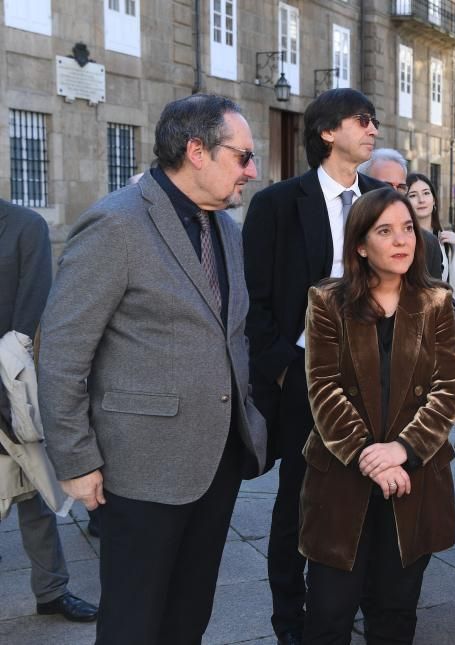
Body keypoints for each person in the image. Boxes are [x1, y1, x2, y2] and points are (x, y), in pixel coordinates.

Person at [37, 94, 267, 644]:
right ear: (196, 151)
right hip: (141, 468)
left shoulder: (227, 231)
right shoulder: (116, 224)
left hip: (218, 461)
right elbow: (64, 350)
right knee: (133, 624)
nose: (252, 171)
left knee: (189, 616)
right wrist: (75, 458)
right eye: (242, 156)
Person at [242, 87, 385, 645]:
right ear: (328, 132)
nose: (373, 129)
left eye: (374, 121)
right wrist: (283, 366)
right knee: (299, 497)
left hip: (375, 370)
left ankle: (357, 601)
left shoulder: (381, 198)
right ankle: (290, 619)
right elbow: (252, 299)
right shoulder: (279, 204)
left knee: (370, 487)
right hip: (304, 373)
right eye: (362, 120)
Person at [299, 187, 455, 644]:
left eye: (407, 229)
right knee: (329, 613)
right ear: (360, 245)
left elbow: (448, 387)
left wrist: (403, 451)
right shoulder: (327, 301)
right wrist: (369, 455)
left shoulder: (436, 302)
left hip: (414, 482)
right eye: (385, 231)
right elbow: (324, 387)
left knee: (395, 612)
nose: (401, 241)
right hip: (342, 480)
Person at [0, 199, 98, 622]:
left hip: (14, 384)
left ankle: (51, 591)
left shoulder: (25, 225)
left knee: (35, 494)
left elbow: (34, 309)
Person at [359, 148, 444, 279]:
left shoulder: (428, 244)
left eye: (401, 187)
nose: (394, 193)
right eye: (385, 185)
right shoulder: (346, 231)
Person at [406, 173, 455, 304]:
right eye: (412, 195)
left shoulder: (449, 244)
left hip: (443, 316)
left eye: (426, 193)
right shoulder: (402, 241)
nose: (421, 200)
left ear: (434, 200)